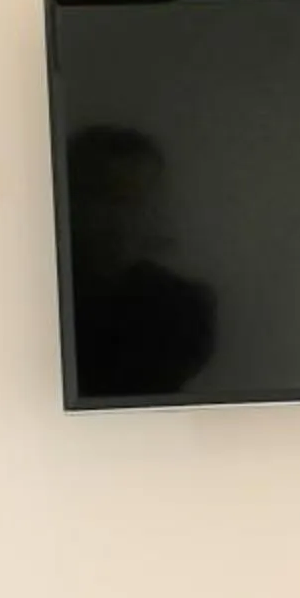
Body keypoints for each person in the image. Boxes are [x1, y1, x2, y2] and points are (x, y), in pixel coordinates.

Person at [66, 126, 217, 398]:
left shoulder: (185, 307)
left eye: (137, 200)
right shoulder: (39, 304)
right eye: (106, 199)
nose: (121, 218)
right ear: (72, 202)